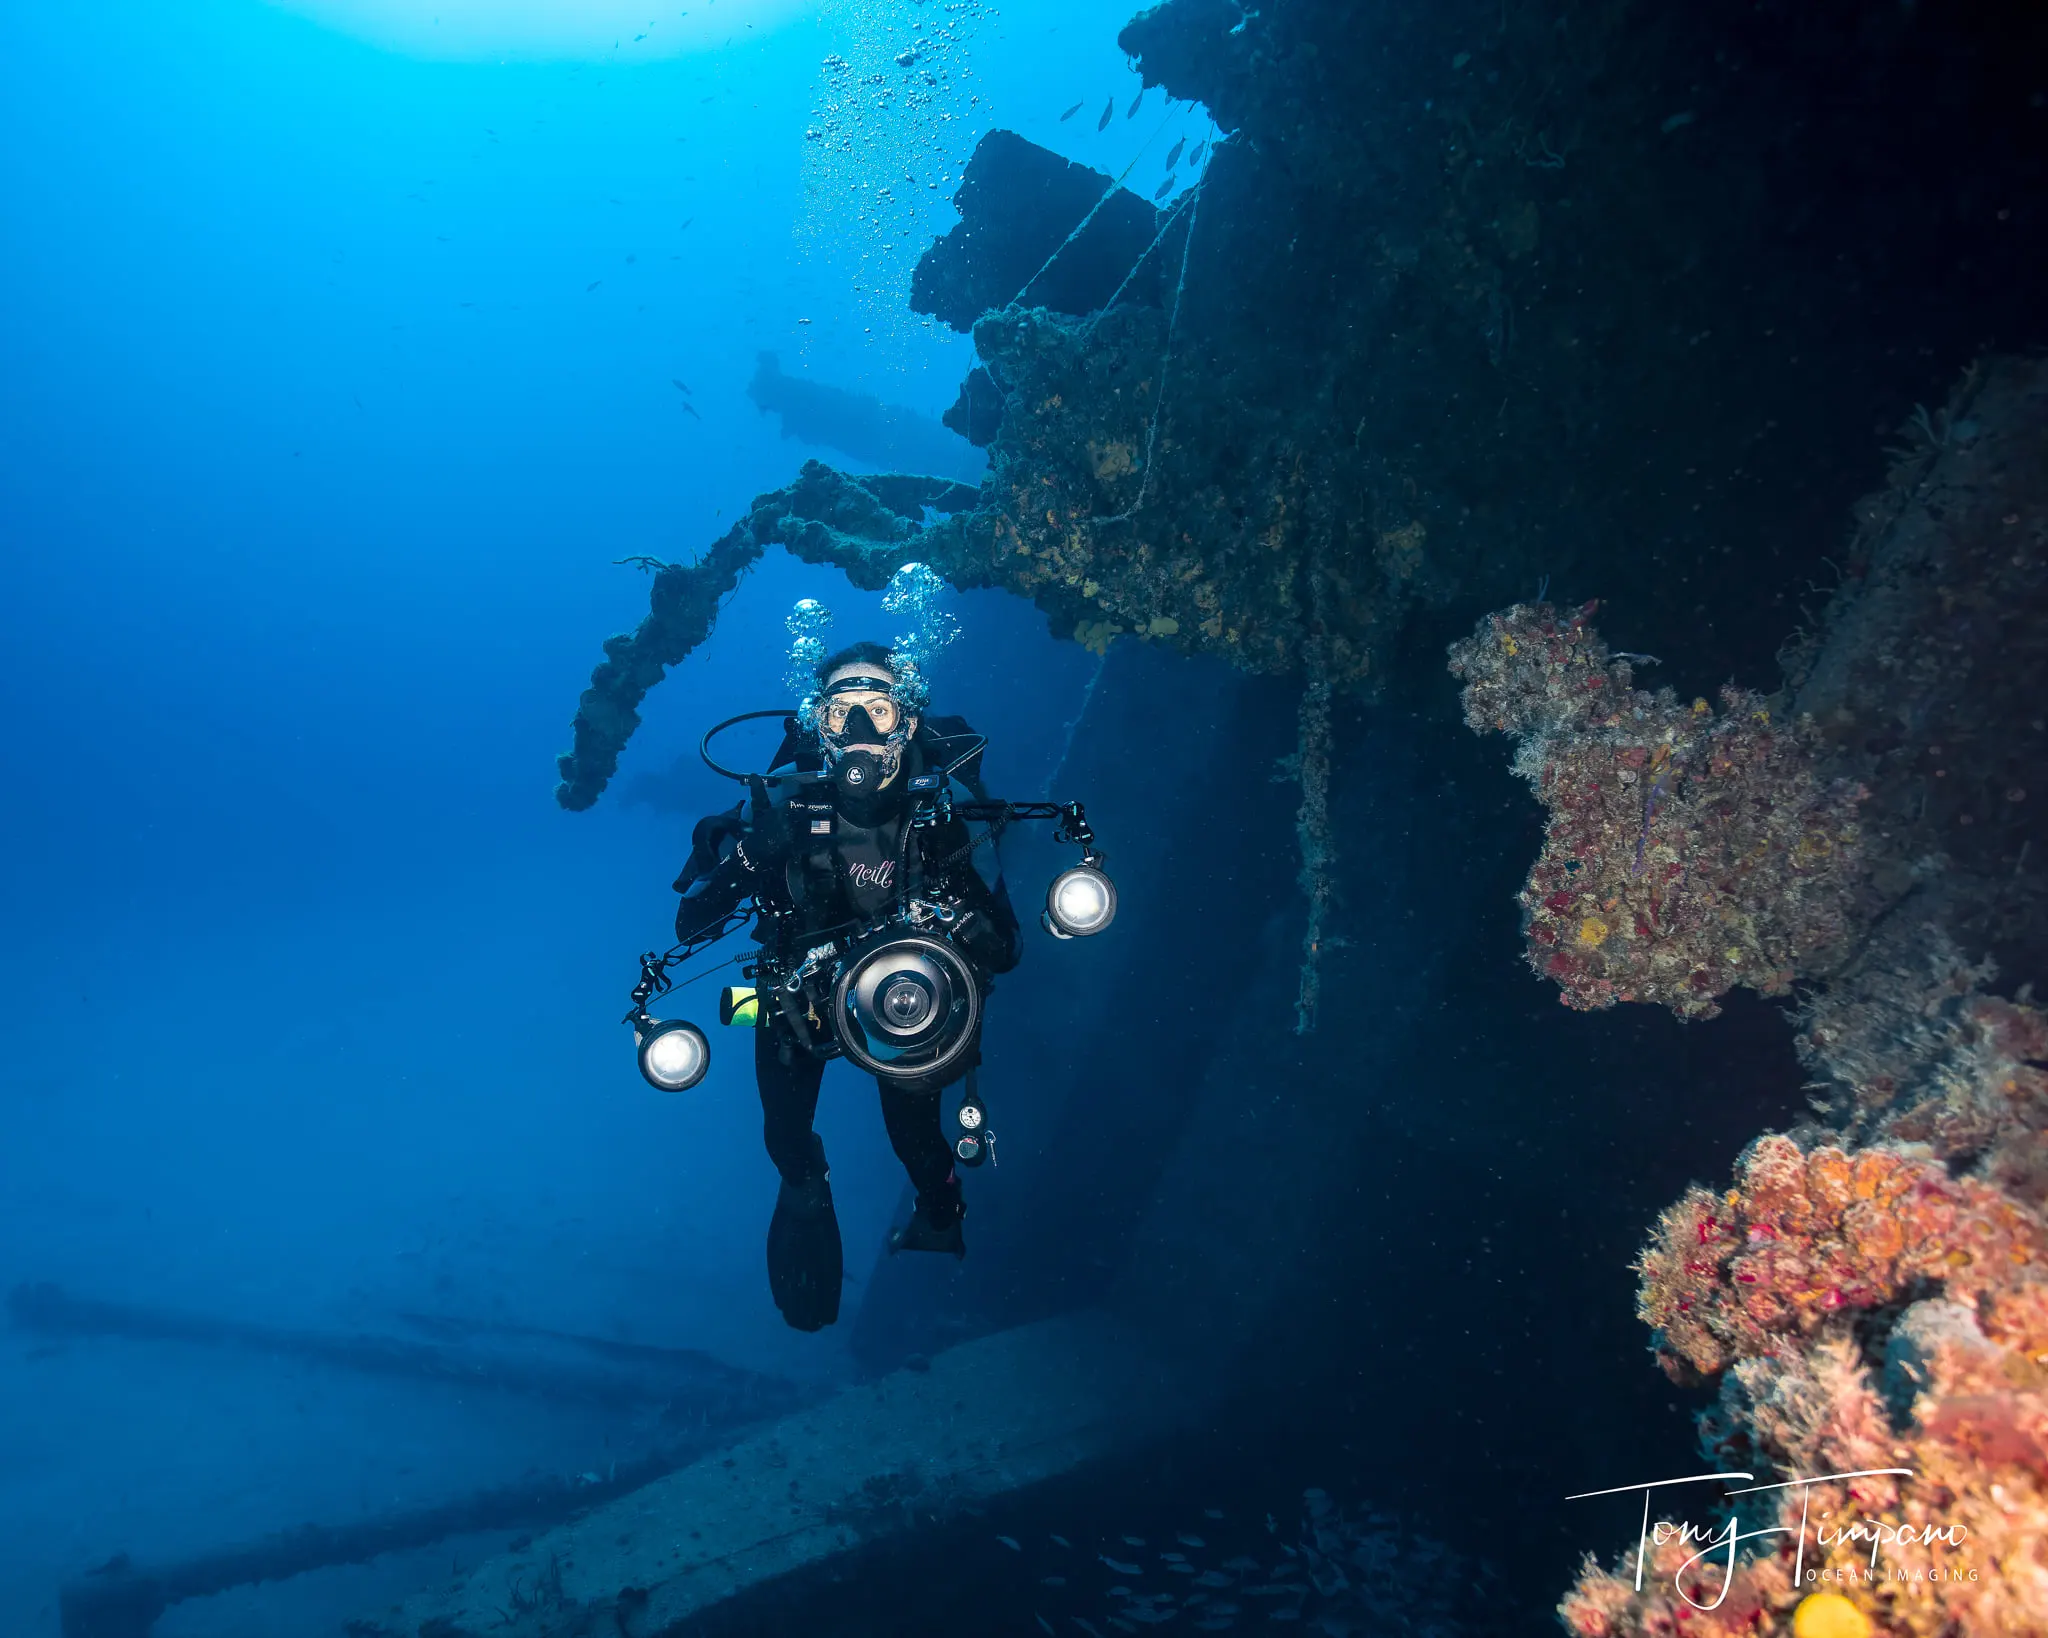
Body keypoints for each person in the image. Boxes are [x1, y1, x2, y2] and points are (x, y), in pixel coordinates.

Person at [671, 643, 1023, 1332]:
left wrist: (954, 887)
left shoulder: (936, 815)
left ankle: (939, 1210)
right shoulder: (779, 807)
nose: (859, 733)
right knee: (786, 1138)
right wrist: (753, 855)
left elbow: (1006, 951)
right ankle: (808, 1197)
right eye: (840, 715)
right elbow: (689, 924)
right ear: (817, 728)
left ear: (908, 725)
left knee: (918, 1143)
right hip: (792, 1008)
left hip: (900, 1006)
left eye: (879, 710)